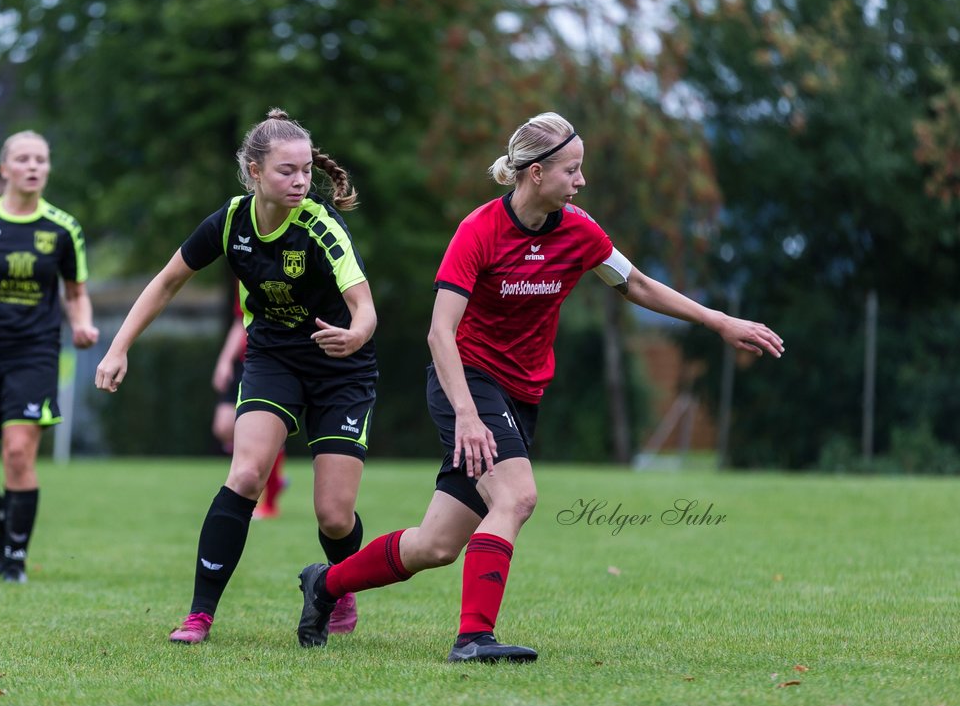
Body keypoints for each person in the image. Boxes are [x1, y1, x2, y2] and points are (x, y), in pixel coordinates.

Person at [296, 112, 785, 662]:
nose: (580, 182)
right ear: (534, 173)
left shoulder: (579, 229)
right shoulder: (478, 231)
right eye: (571, 171)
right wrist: (466, 413)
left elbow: (638, 285)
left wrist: (719, 322)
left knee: (435, 545)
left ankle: (326, 584)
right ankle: (473, 638)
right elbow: (439, 333)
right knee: (517, 497)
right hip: (467, 381)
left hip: (519, 397)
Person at [96, 108, 376, 644]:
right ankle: (200, 615)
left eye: (304, 172)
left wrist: (356, 335)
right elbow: (166, 281)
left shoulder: (321, 225)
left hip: (342, 367)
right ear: (254, 171)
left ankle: (339, 586)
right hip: (273, 358)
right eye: (285, 172)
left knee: (334, 515)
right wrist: (118, 348)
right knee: (246, 474)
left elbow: (363, 307)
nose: (299, 182)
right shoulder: (229, 222)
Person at [0, 130, 99, 584]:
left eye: (41, 160)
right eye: (23, 159)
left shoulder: (63, 228)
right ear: (5, 168)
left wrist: (82, 324)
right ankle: (8, 522)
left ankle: (12, 558)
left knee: (17, 453)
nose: (33, 166)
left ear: (47, 168)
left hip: (35, 353)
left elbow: (76, 292)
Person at [211, 290, 287, 519]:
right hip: (246, 361)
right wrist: (224, 360)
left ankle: (268, 497)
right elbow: (240, 320)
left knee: (268, 431)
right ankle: (267, 478)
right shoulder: (244, 265)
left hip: (272, 361)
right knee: (224, 426)